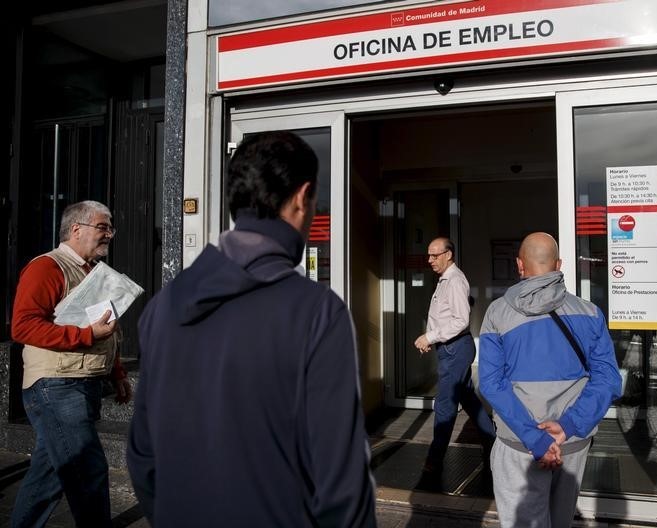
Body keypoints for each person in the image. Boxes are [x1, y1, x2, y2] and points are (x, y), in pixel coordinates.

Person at [127, 131, 376, 527]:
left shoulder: (161, 308)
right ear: (302, 196)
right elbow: (342, 486)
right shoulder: (316, 312)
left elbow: (143, 455)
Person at [478, 232, 621, 527]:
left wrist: (536, 438)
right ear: (559, 264)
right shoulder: (590, 313)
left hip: (519, 445)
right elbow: (607, 379)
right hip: (571, 444)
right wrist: (566, 428)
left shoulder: (497, 314)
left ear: (519, 265)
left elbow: (491, 383)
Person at [10, 200, 132, 528]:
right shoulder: (46, 267)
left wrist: (117, 371)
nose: (109, 234)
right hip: (55, 385)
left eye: (111, 228)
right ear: (76, 229)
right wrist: (86, 334)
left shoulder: (92, 272)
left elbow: (106, 329)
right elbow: (22, 327)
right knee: (89, 469)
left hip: (81, 383)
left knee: (48, 476)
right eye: (102, 227)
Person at [414, 237, 496, 490]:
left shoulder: (456, 280)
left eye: (434, 255)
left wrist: (429, 336)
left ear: (448, 254)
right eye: (428, 255)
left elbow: (460, 320)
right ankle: (493, 446)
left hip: (456, 349)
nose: (430, 260)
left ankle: (434, 461)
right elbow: (444, 317)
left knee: (445, 404)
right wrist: (432, 337)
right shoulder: (445, 281)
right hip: (450, 349)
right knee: (468, 399)